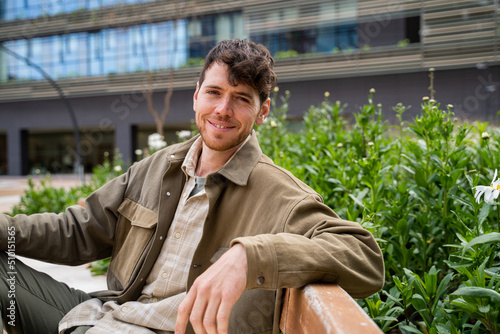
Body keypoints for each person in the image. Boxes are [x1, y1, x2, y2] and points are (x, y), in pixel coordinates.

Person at [0, 39, 384, 334]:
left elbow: (364, 257)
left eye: (241, 99)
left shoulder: (280, 195)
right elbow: (76, 231)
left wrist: (250, 257)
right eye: (215, 93)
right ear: (197, 93)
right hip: (104, 315)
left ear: (262, 112)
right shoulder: (158, 167)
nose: (223, 109)